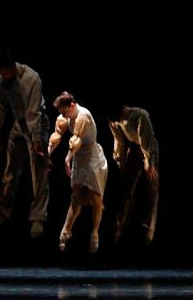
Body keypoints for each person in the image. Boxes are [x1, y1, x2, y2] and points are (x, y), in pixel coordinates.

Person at [0, 51, 50, 239]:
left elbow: (33, 113)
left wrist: (36, 140)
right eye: (0, 72)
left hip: (37, 124)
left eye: (5, 72)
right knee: (9, 172)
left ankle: (38, 217)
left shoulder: (31, 78)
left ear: (12, 67)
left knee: (39, 171)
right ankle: (0, 214)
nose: (3, 76)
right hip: (18, 124)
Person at [48, 91, 108, 253]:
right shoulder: (65, 116)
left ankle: (95, 232)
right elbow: (57, 134)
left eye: (64, 111)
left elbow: (77, 139)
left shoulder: (83, 115)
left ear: (72, 106)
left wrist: (67, 159)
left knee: (95, 198)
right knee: (76, 196)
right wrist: (48, 152)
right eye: (61, 112)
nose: (63, 115)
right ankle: (66, 230)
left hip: (93, 156)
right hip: (80, 156)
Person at [108, 103, 159, 245]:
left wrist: (149, 162)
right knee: (125, 188)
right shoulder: (113, 120)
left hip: (148, 149)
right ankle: (120, 226)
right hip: (132, 149)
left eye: (120, 119)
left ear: (124, 111)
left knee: (151, 188)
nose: (118, 122)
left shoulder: (140, 115)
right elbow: (119, 139)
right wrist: (119, 158)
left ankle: (149, 229)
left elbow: (146, 140)